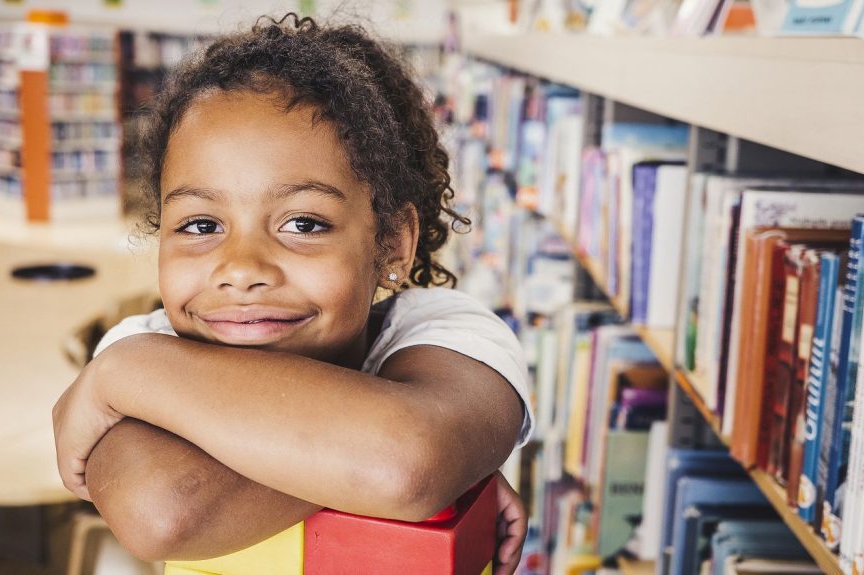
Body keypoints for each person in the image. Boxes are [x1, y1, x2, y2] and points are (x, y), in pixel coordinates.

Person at [52, 14, 533, 574]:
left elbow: (404, 465)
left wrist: (123, 375)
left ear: (392, 246)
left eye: (303, 224)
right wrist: (440, 456)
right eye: (202, 225)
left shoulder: (450, 330)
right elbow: (163, 510)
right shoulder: (145, 340)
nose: (241, 270)